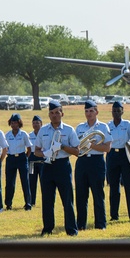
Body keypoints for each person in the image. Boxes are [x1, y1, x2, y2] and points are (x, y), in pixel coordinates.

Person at [33, 100, 80, 236]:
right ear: (49, 115)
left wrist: (63, 147)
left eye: (57, 113)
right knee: (47, 200)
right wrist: (44, 153)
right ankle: (47, 228)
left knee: (67, 199)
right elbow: (36, 151)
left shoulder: (69, 130)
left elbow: (77, 151)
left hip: (62, 166)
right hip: (47, 166)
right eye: (52, 113)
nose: (54, 115)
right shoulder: (43, 130)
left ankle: (71, 229)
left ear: (62, 113)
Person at [74, 101, 112, 230]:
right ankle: (80, 224)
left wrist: (92, 146)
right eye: (86, 111)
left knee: (98, 194)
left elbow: (107, 148)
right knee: (80, 194)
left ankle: (100, 224)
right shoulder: (79, 127)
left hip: (96, 162)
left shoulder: (103, 127)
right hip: (82, 161)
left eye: (91, 111)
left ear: (97, 112)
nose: (88, 114)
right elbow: (75, 146)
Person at [106, 101, 130, 223]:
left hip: (125, 155)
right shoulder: (107, 125)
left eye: (118, 110)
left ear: (122, 111)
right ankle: (114, 215)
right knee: (113, 187)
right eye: (114, 110)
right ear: (111, 112)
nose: (116, 113)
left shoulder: (127, 125)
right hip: (112, 156)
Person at [3, 113, 33, 211]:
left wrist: (25, 158)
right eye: (12, 123)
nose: (13, 125)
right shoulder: (7, 135)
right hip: (11, 158)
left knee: (25, 181)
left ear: (19, 123)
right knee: (10, 182)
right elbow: (5, 148)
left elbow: (29, 148)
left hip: (21, 158)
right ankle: (8, 204)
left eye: (15, 122)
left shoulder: (24, 134)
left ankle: (28, 203)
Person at [28, 115, 43, 208]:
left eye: (37, 123)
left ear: (41, 124)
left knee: (44, 181)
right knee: (31, 181)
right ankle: (31, 201)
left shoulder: (43, 134)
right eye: (34, 123)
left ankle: (45, 200)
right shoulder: (29, 135)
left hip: (42, 160)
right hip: (32, 160)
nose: (35, 125)